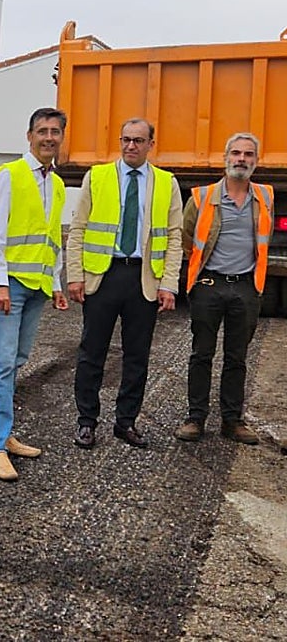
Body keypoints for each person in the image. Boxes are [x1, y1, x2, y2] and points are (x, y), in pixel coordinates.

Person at [65, 118, 183, 450]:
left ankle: (126, 422)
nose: (131, 146)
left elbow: (174, 237)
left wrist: (169, 284)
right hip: (103, 276)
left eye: (138, 140)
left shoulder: (166, 183)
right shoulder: (97, 177)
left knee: (137, 356)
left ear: (151, 144)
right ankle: (87, 421)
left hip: (143, 279)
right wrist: (75, 276)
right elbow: (78, 230)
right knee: (91, 353)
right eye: (126, 139)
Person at [0, 107, 69, 481]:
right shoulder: (10, 175)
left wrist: (57, 285)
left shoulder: (57, 183)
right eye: (42, 131)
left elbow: (52, 240)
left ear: (62, 137)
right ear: (29, 136)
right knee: (1, 364)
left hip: (37, 287)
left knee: (16, 361)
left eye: (55, 131)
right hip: (7, 284)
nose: (48, 137)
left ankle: (4, 433)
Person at [173, 132, 273, 445]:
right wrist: (199, 276)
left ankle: (232, 421)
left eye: (248, 155)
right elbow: (186, 237)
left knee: (237, 357)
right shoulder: (202, 197)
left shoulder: (265, 197)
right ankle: (196, 418)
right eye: (236, 153)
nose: (241, 159)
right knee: (202, 354)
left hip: (245, 288)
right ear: (225, 158)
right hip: (209, 286)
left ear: (256, 162)